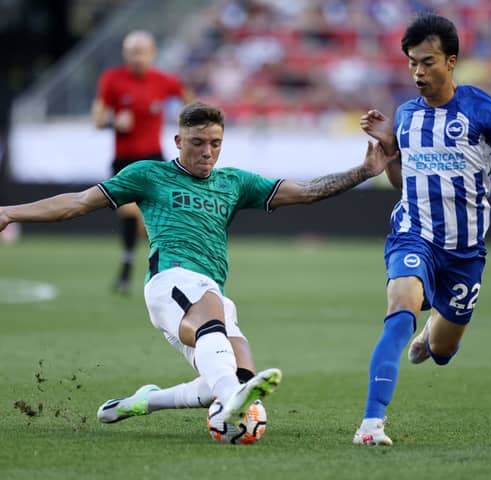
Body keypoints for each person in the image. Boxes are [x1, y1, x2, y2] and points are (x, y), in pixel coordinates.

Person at [0, 101, 397, 426]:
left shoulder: (235, 182)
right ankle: (232, 402)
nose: (207, 152)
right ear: (177, 140)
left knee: (234, 375)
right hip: (170, 280)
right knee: (235, 384)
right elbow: (77, 203)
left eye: (215, 143)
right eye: (197, 142)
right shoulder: (148, 175)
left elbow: (308, 191)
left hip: (212, 295)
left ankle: (145, 402)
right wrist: (11, 212)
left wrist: (363, 171)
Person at [352, 13, 491, 446]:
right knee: (398, 310)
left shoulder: (481, 107)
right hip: (413, 233)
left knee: (441, 352)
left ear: (451, 61)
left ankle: (432, 334)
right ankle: (371, 424)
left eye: (427, 62)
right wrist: (389, 151)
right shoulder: (405, 116)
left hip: (465, 251)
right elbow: (403, 183)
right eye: (411, 63)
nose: (418, 72)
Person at [92, 30, 193, 295]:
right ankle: (145, 264)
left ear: (152, 53)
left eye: (142, 52)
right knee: (131, 213)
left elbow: (191, 103)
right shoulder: (112, 79)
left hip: (153, 160)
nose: (137, 58)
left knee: (145, 217)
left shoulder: (164, 81)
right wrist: (114, 121)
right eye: (133, 52)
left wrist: (189, 125)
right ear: (125, 54)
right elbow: (97, 119)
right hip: (124, 161)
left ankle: (132, 271)